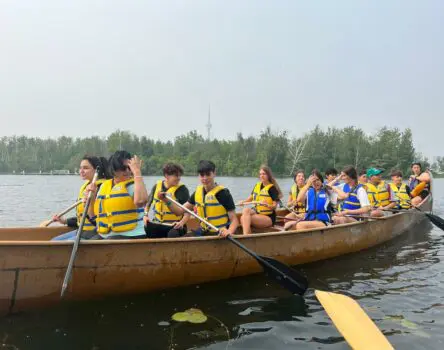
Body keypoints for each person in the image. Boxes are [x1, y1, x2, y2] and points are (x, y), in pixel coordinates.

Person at [86, 151, 149, 240]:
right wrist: (91, 199)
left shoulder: (135, 185)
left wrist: (137, 172)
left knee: (108, 241)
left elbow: (141, 201)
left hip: (132, 234)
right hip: (107, 235)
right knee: (88, 244)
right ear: (114, 169)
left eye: (129, 168)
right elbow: (93, 217)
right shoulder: (104, 186)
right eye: (123, 168)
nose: (127, 171)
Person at [51, 155, 111, 241]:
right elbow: (82, 217)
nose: (81, 171)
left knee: (62, 244)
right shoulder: (86, 187)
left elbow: (96, 218)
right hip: (82, 230)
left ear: (96, 170)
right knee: (54, 241)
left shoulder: (101, 188)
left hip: (94, 232)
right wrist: (64, 221)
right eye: (80, 168)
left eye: (85, 168)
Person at [172, 160, 239, 237]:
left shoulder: (223, 194)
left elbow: (234, 220)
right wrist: (166, 200)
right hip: (203, 232)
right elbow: (179, 211)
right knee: (183, 241)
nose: (205, 178)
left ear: (214, 173)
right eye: (202, 175)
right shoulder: (197, 193)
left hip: (220, 234)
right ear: (199, 176)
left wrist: (229, 232)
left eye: (208, 174)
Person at [144, 163, 190, 238]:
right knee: (146, 229)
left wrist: (181, 223)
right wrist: (145, 215)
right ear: (166, 175)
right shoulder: (157, 186)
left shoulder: (182, 190)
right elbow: (147, 204)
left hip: (175, 225)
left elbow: (188, 212)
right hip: (158, 224)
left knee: (172, 234)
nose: (178, 178)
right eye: (175, 175)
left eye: (179, 175)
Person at [239, 165, 283, 234]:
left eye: (264, 174)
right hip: (257, 212)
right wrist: (243, 202)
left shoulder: (272, 189)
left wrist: (267, 205)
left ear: (268, 175)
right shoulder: (257, 185)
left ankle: (246, 236)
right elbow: (250, 199)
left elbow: (274, 206)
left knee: (243, 218)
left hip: (268, 217)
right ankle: (247, 236)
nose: (261, 176)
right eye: (260, 174)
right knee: (245, 210)